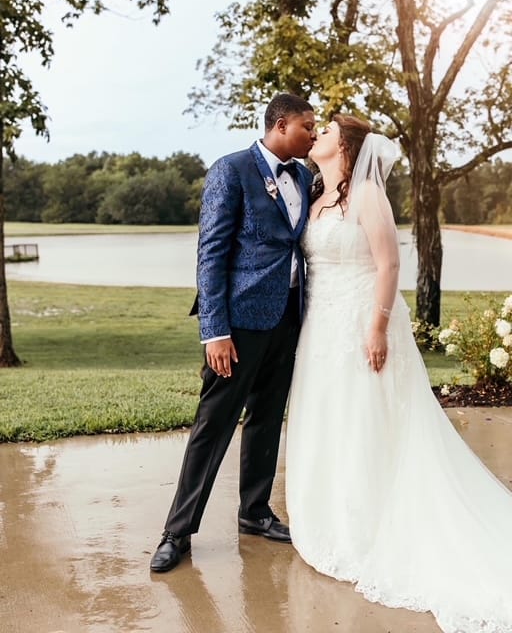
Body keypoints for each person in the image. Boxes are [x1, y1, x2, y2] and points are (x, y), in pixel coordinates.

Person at [285, 114, 512, 632]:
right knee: (330, 417)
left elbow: (388, 265)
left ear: (347, 146)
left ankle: (369, 519)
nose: (316, 133)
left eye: (325, 131)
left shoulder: (367, 194)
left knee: (369, 419)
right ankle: (330, 515)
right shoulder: (316, 192)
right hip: (321, 325)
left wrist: (378, 327)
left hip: (363, 318)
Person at [150, 93, 317, 573]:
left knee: (267, 418)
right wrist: (214, 330)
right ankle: (177, 533)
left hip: (287, 319)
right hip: (238, 323)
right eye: (307, 125)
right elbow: (211, 253)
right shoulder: (231, 169)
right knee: (214, 425)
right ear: (281, 125)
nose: (312, 132)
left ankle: (255, 512)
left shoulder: (304, 176)